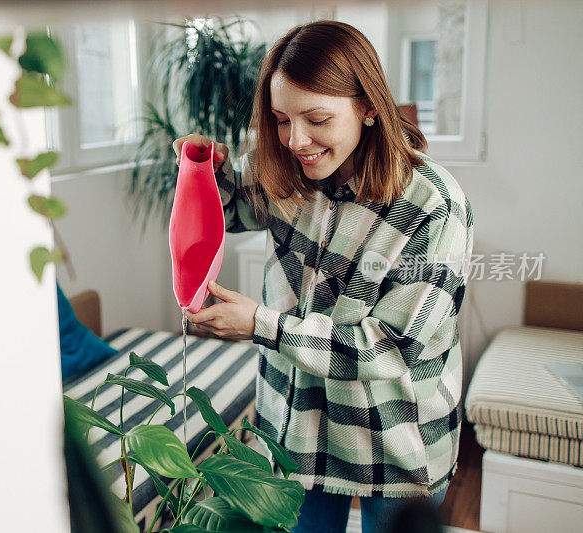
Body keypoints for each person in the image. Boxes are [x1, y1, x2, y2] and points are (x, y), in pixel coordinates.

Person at [172, 20, 473, 533]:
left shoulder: (434, 207)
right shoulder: (283, 169)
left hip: (394, 443)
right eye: (281, 119)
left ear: (369, 107)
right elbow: (218, 215)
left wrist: (262, 325)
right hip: (298, 431)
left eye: (316, 119)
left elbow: (390, 348)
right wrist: (200, 168)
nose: (296, 140)